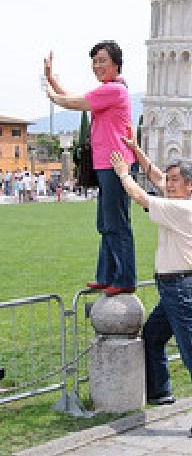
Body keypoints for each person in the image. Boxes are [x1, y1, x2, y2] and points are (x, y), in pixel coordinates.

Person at [109, 140, 192, 439]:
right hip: (173, 289)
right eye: (169, 179)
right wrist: (137, 150)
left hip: (180, 290)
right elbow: (154, 178)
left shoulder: (182, 209)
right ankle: (161, 391)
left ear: (191, 184)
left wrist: (124, 173)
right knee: (153, 336)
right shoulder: (178, 200)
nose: (169, 184)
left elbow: (140, 195)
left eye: (176, 180)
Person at [44, 42, 137, 296]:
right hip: (106, 164)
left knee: (116, 222)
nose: (97, 65)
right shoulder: (108, 91)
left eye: (102, 60)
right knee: (106, 222)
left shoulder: (115, 90)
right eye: (94, 61)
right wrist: (52, 81)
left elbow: (76, 102)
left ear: (116, 63)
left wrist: (53, 97)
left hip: (115, 164)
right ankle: (107, 275)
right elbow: (78, 99)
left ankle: (125, 278)